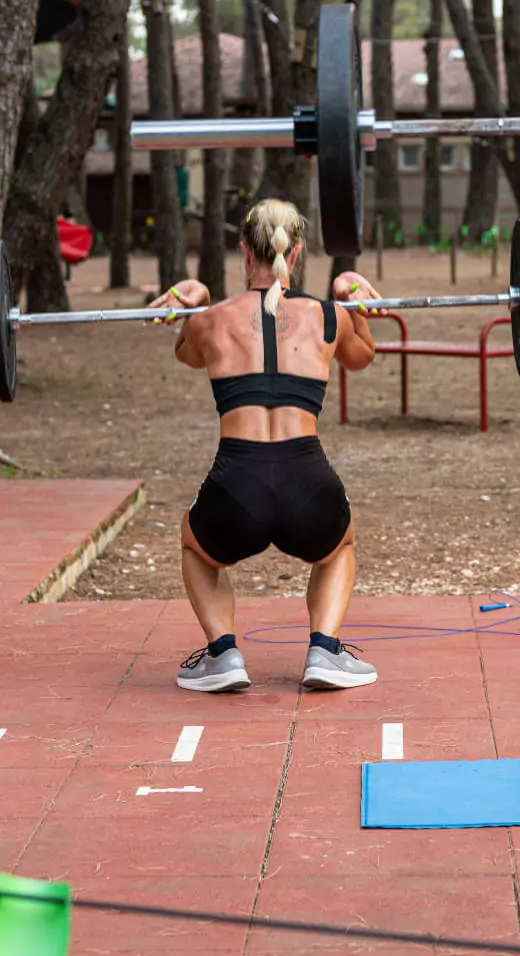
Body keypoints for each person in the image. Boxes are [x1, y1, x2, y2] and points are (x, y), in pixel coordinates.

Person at [150, 199, 381, 693]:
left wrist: (197, 301)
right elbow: (363, 357)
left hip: (236, 487)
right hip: (308, 484)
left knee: (195, 545)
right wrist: (350, 297)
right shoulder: (327, 317)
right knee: (339, 545)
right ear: (296, 253)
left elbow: (187, 353)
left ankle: (222, 655)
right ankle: (325, 650)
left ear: (243, 250)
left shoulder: (211, 320)